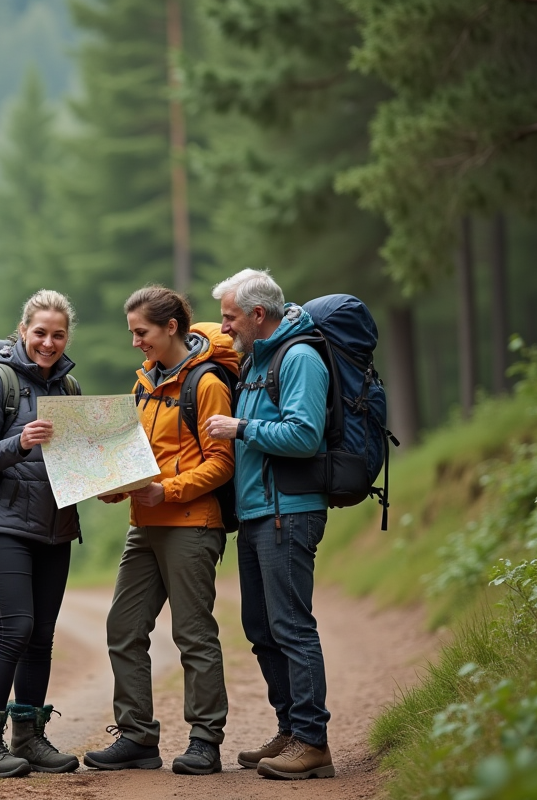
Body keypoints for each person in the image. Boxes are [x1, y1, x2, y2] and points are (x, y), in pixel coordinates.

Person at [83, 286, 236, 776]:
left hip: (192, 525)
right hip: (143, 525)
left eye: (141, 332)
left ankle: (205, 740)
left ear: (172, 327)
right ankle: (137, 737)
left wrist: (166, 492)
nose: (135, 342)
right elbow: (136, 461)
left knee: (192, 634)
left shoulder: (207, 383)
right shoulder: (143, 386)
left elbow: (222, 465)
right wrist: (111, 485)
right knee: (123, 628)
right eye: (132, 332)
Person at [203, 268, 335, 780]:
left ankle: (312, 740)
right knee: (259, 627)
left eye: (230, 316)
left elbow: (304, 436)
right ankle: (289, 729)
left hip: (290, 513)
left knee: (291, 627)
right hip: (259, 513)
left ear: (259, 315)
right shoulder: (256, 360)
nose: (224, 325)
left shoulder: (298, 358)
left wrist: (242, 427)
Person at [0, 289, 83, 778]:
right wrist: (20, 441)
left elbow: (76, 463)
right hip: (3, 523)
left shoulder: (71, 388)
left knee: (43, 637)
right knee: (16, 628)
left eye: (57, 334)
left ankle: (29, 739)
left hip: (57, 526)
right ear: (23, 330)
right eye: (39, 333)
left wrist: (108, 478)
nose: (48, 343)